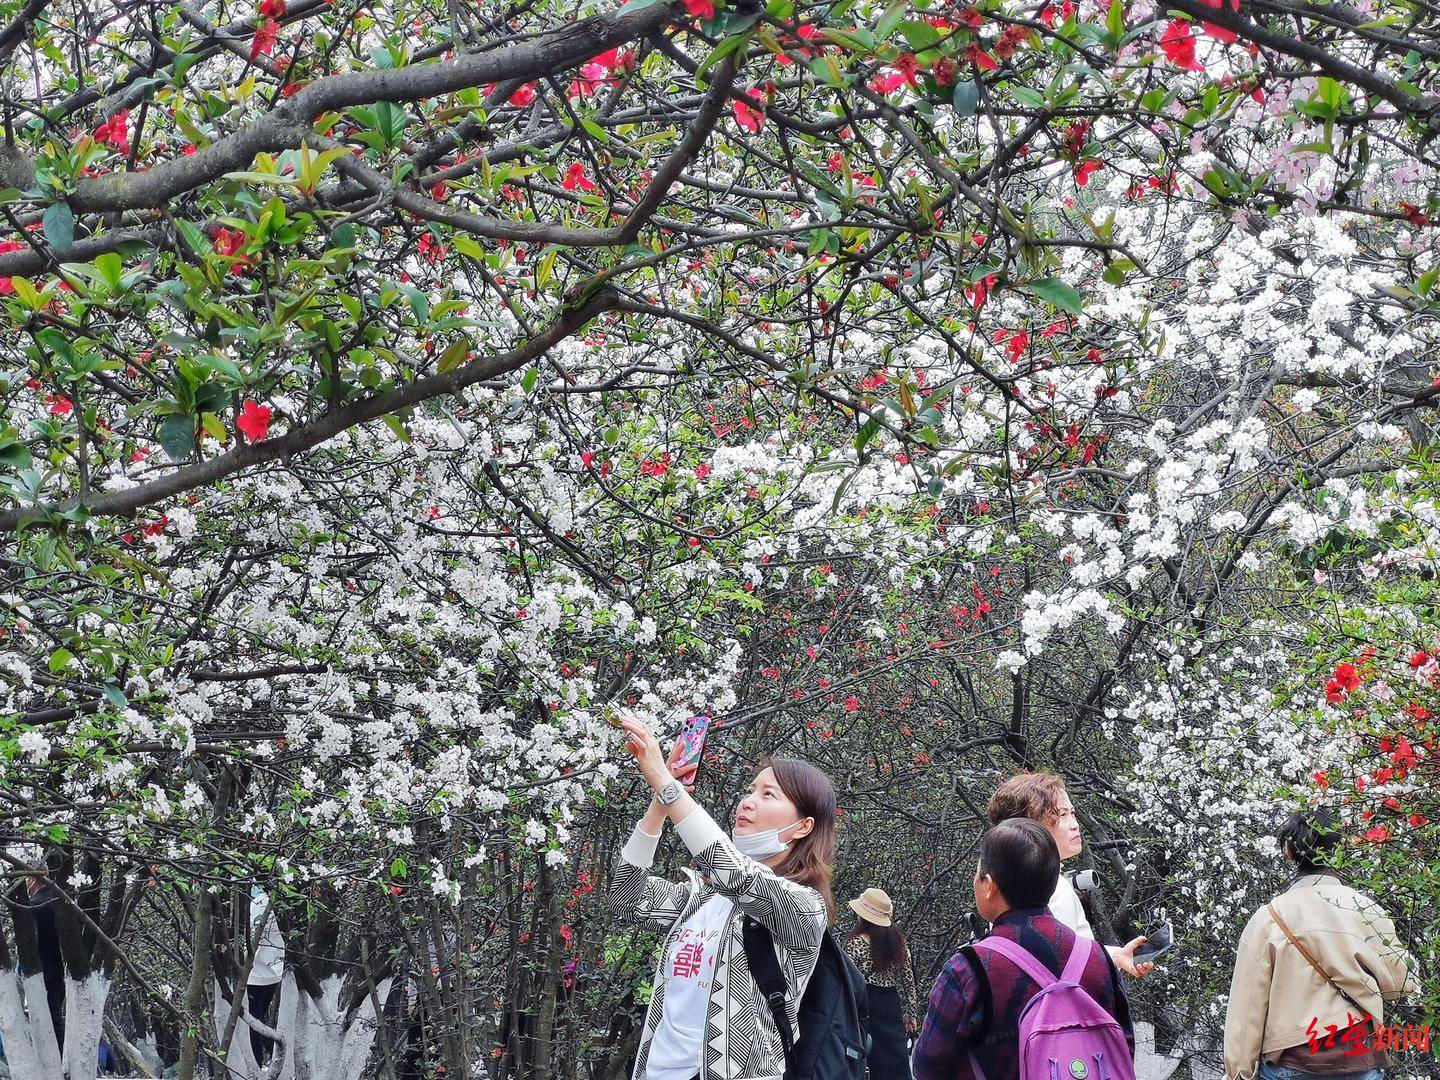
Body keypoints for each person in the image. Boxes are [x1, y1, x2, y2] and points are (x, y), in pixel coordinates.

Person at [608, 714, 835, 1080]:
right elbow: (625, 898)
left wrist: (667, 784)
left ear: (803, 826)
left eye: (768, 794)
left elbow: (737, 874)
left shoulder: (804, 908)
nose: (748, 802)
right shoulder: (703, 897)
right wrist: (659, 804)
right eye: (750, 790)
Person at [912, 819, 1136, 1080]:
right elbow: (1123, 1047)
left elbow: (928, 1064)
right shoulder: (1098, 959)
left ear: (990, 886)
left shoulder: (970, 967)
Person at [1223, 809, 1418, 1080]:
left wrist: (1239, 1072)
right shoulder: (1367, 910)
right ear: (1338, 850)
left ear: (1290, 853)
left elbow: (1246, 1011)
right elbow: (1401, 983)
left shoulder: (1269, 919)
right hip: (1358, 1059)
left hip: (1294, 1062)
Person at [987, 773, 1154, 979]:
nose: (1074, 824)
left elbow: (1071, 951)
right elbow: (1064, 965)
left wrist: (1116, 955)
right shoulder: (1051, 888)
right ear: (1032, 826)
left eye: (1072, 813)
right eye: (1061, 815)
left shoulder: (1012, 885)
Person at [842, 887, 919, 1079]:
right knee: (896, 1054)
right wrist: (912, 1013)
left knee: (870, 1056)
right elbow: (908, 978)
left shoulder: (856, 943)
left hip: (866, 1005)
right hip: (891, 1003)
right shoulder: (898, 941)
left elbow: (849, 981)